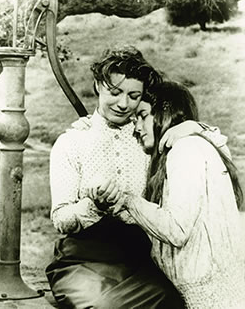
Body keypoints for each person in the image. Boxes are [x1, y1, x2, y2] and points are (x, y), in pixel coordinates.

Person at [46, 46, 228, 308]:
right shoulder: (72, 142)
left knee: (172, 301)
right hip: (82, 260)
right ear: (98, 85)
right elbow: (61, 220)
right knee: (104, 305)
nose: (123, 104)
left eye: (134, 96)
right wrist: (94, 205)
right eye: (115, 92)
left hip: (140, 258)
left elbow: (217, 147)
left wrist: (194, 127)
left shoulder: (149, 137)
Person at [93, 81, 245, 308]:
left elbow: (176, 229)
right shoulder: (194, 145)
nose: (136, 127)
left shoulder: (185, 150)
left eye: (142, 115)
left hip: (211, 299)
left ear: (165, 114)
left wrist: (129, 200)